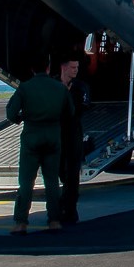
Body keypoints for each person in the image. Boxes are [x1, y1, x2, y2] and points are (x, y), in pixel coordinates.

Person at [3, 57, 74, 234]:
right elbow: (70, 113)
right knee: (51, 180)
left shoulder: (25, 88)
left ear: (32, 70)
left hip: (31, 136)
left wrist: (23, 118)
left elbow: (11, 113)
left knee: (26, 182)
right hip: (52, 136)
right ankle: (54, 220)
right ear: (49, 68)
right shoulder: (59, 88)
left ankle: (21, 222)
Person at [55, 57, 89, 225]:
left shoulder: (80, 87)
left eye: (77, 67)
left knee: (72, 175)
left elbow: (81, 109)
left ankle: (70, 210)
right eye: (72, 67)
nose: (75, 70)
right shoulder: (53, 84)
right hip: (57, 135)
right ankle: (62, 204)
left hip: (73, 135)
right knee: (60, 171)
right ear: (64, 67)